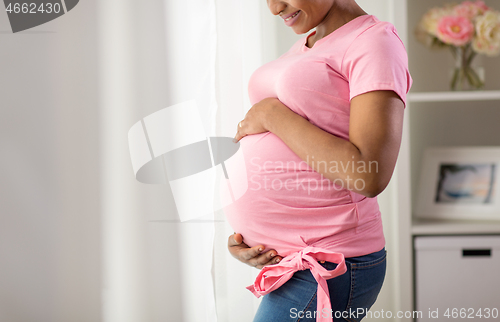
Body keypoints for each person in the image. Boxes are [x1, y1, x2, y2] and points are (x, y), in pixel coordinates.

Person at [225, 0, 412, 321]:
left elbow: (370, 175)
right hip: (289, 260)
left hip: (329, 262)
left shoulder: (374, 41)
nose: (274, 8)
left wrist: (271, 114)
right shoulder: (309, 44)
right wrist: (254, 237)